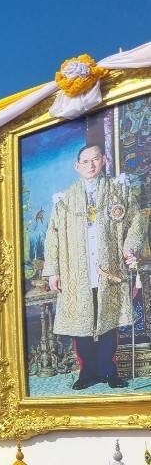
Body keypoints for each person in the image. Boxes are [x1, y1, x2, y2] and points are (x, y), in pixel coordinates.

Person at [42, 142, 146, 389]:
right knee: (82, 323)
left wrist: (129, 249)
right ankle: (87, 371)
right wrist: (53, 271)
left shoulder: (118, 192)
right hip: (76, 271)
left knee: (108, 319)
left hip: (109, 270)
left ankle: (109, 370)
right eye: (85, 161)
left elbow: (136, 222)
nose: (91, 165)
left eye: (95, 159)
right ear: (77, 166)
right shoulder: (65, 200)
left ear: (104, 161)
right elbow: (52, 237)